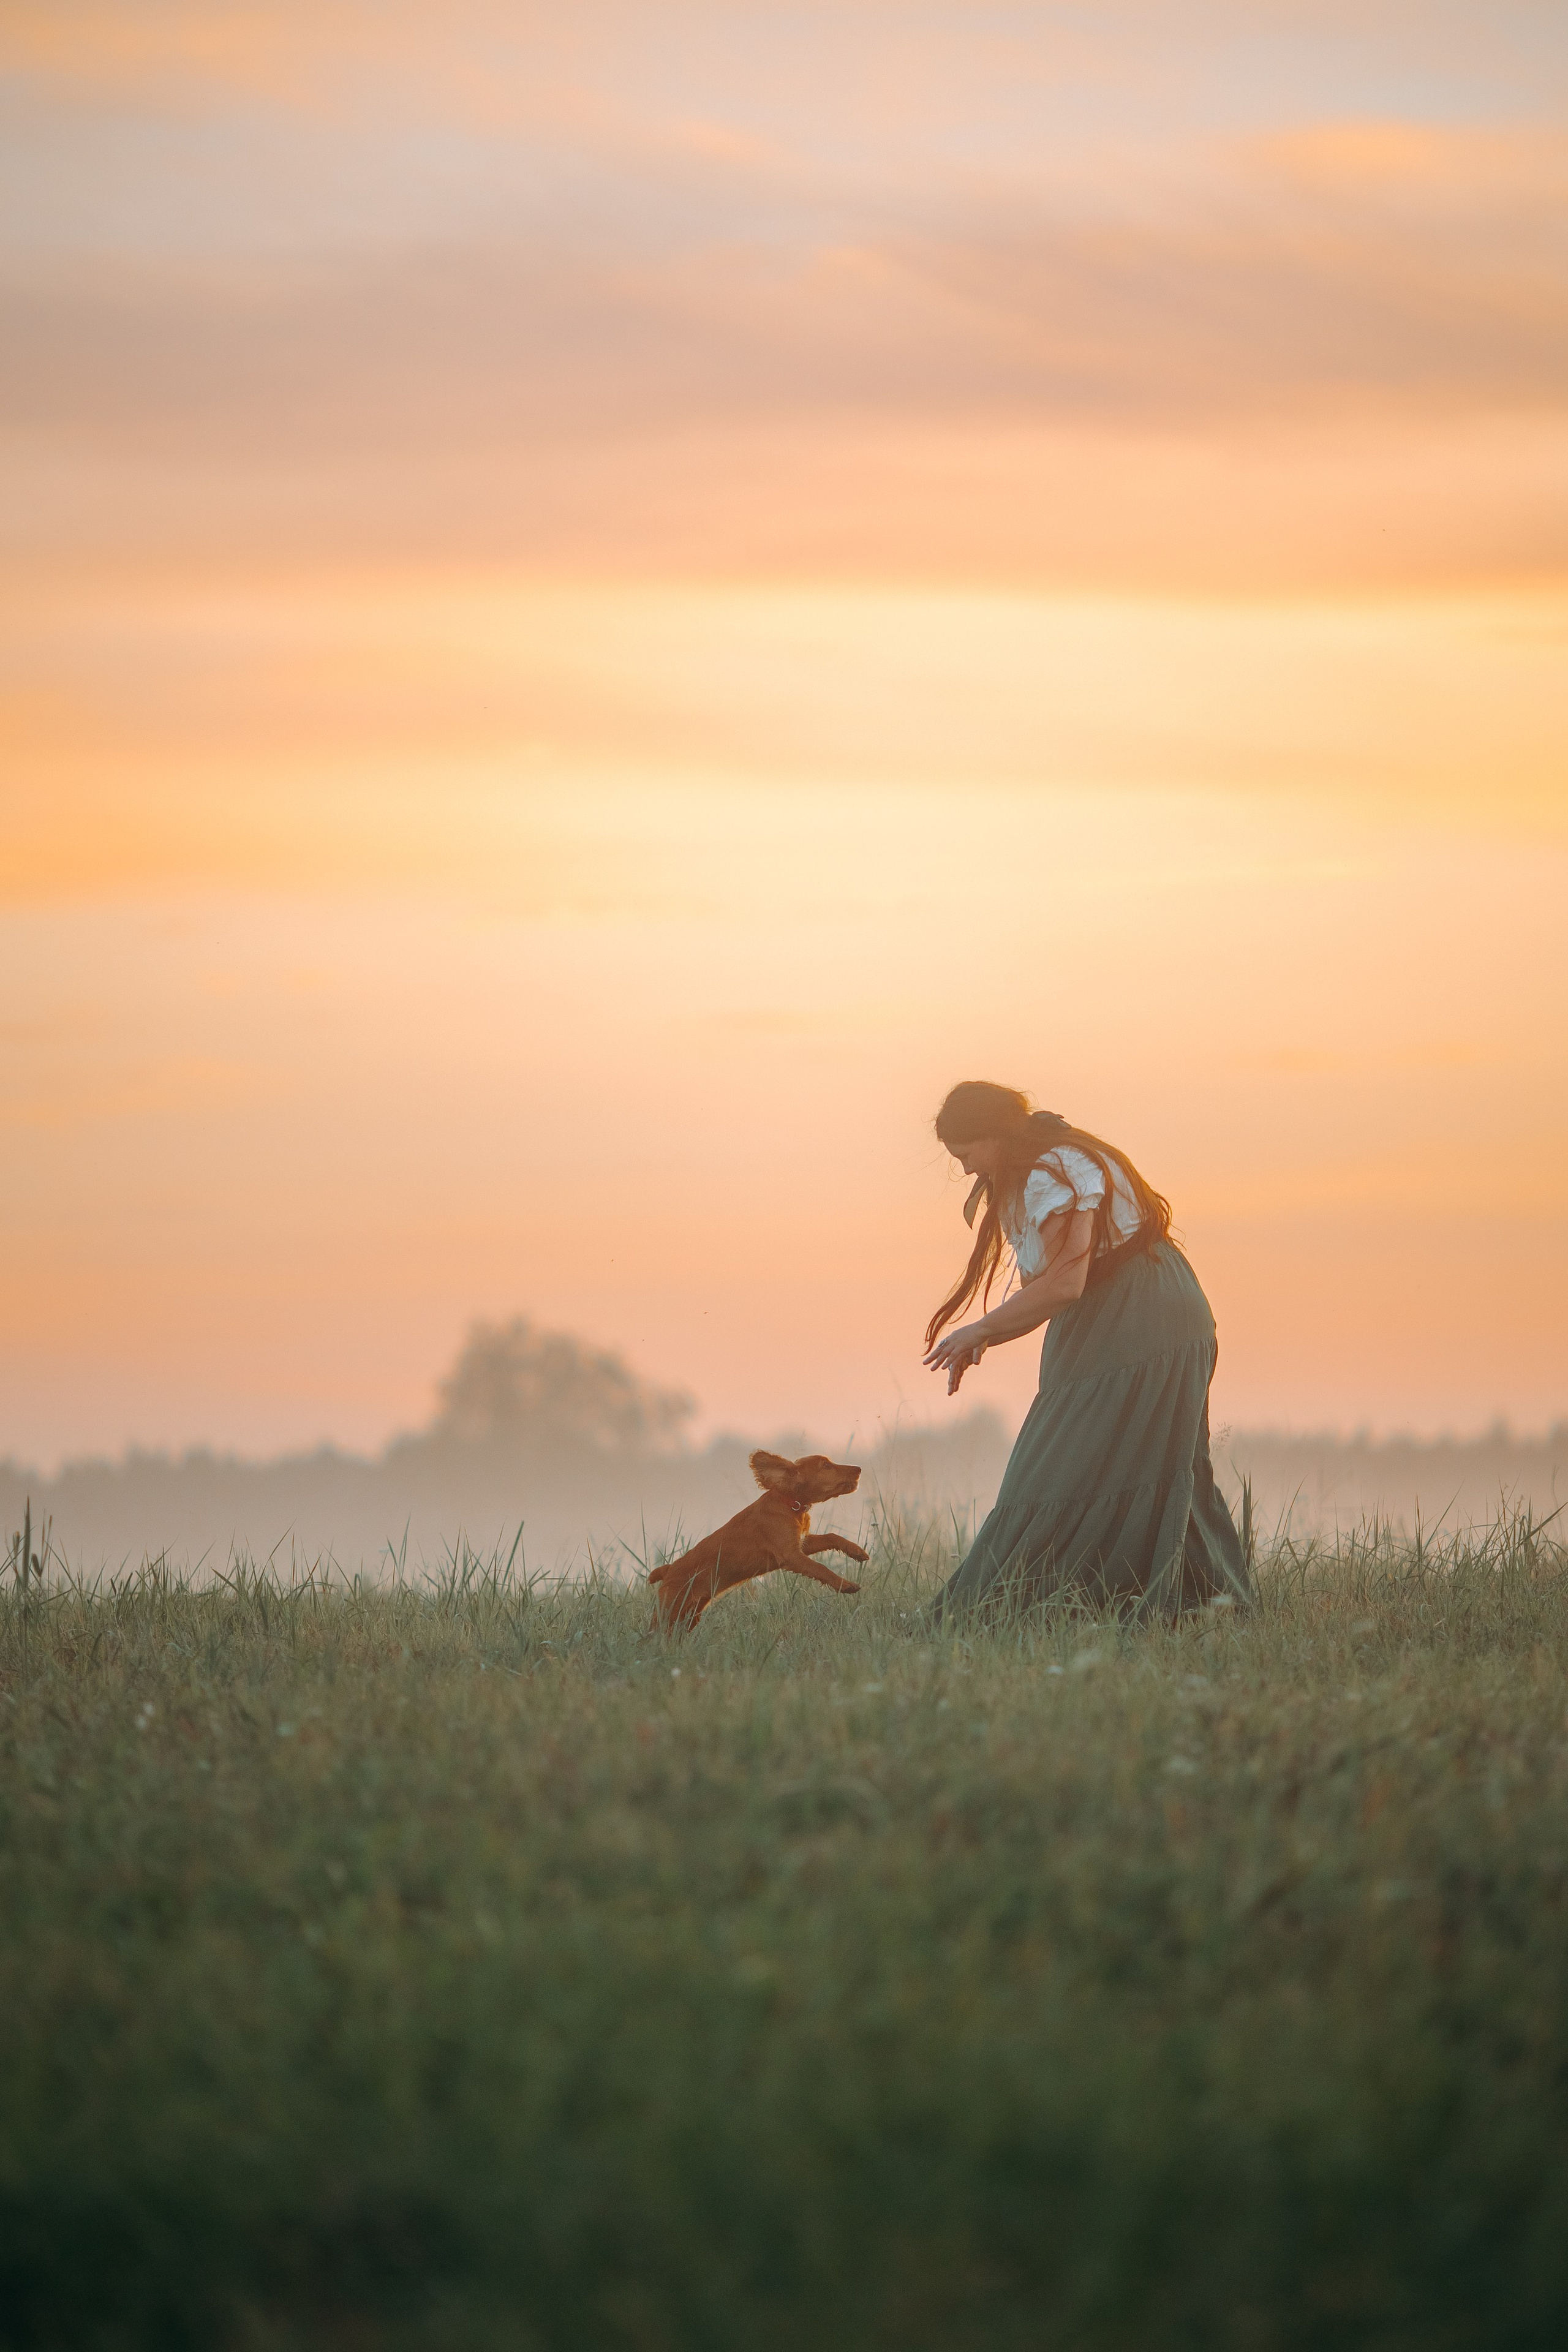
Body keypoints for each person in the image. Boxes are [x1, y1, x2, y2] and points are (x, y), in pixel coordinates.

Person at [922, 1080, 1252, 1620]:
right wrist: (990, 1336)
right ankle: (1184, 1606)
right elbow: (1050, 1285)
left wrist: (978, 1330)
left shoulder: (1056, 1171)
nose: (965, 1170)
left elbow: (1064, 1284)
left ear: (995, 1136)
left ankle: (1004, 1610)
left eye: (966, 1154)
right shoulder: (1036, 1170)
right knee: (1128, 1460)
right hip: (1119, 1312)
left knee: (1062, 1465)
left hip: (1143, 1316)